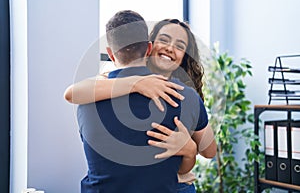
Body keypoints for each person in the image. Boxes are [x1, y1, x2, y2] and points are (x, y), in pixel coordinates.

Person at [76, 10, 212, 193]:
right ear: (150, 46)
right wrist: (136, 84)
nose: (170, 48)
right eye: (164, 40)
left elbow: (209, 150)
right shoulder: (97, 90)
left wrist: (189, 148)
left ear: (111, 53)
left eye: (179, 46)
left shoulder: (90, 98)